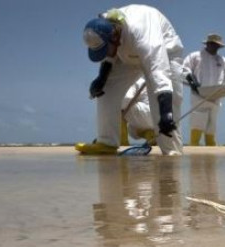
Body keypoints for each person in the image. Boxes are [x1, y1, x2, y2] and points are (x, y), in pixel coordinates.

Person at [76, 5, 184, 156]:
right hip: (126, 54)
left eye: (106, 49)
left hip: (165, 53)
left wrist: (166, 113)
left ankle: (172, 150)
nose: (105, 54)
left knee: (165, 106)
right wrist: (101, 79)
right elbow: (110, 56)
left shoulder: (143, 35)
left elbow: (160, 72)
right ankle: (106, 142)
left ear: (115, 35)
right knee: (106, 89)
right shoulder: (108, 28)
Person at [182, 34, 225, 146]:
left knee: (211, 125)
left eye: (217, 45)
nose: (215, 47)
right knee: (198, 122)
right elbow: (184, 69)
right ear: (207, 43)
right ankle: (194, 149)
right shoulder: (195, 56)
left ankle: (211, 156)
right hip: (199, 94)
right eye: (212, 44)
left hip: (216, 95)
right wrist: (190, 79)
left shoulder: (223, 60)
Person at [120, 77, 156, 146]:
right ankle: (150, 135)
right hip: (157, 119)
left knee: (117, 107)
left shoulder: (134, 79)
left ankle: (121, 142)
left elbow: (127, 98)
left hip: (144, 113)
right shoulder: (151, 80)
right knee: (132, 131)